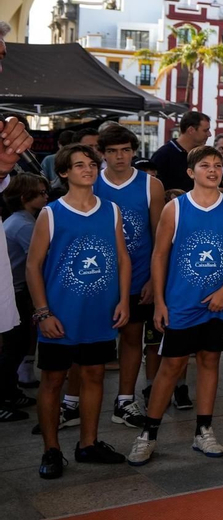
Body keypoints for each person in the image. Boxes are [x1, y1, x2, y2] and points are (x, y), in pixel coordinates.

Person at [128, 145, 223, 466]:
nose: (212, 170)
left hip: (218, 304)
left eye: (217, 165)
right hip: (181, 303)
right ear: (190, 172)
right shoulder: (175, 209)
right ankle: (148, 434)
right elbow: (159, 256)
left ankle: (203, 430)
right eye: (205, 166)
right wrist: (159, 301)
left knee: (210, 362)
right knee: (171, 367)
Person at [27, 143, 131, 477]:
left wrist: (124, 300)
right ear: (63, 172)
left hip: (100, 313)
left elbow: (122, 259)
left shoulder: (111, 210)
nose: (87, 169)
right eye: (79, 165)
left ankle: (88, 443)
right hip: (60, 315)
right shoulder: (51, 213)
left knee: (94, 375)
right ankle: (52, 450)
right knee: (54, 380)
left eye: (91, 164)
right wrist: (43, 313)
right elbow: (33, 266)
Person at [93, 123, 164, 425]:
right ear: (102, 153)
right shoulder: (91, 182)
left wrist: (152, 277)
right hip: (95, 276)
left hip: (137, 276)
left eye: (125, 150)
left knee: (133, 335)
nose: (120, 157)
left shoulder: (151, 185)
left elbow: (160, 237)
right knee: (88, 341)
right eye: (112, 151)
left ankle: (125, 400)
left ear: (134, 152)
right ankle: (71, 403)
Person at [0, 175, 46, 422]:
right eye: (41, 193)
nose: (46, 197)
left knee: (16, 346)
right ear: (26, 198)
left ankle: (10, 390)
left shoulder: (23, 219)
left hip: (16, 291)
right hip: (15, 292)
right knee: (13, 347)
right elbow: (40, 261)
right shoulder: (24, 224)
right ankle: (3, 397)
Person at [150, 112, 211, 195]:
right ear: (191, 130)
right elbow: (153, 188)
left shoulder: (202, 154)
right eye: (205, 130)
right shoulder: (163, 155)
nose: (209, 134)